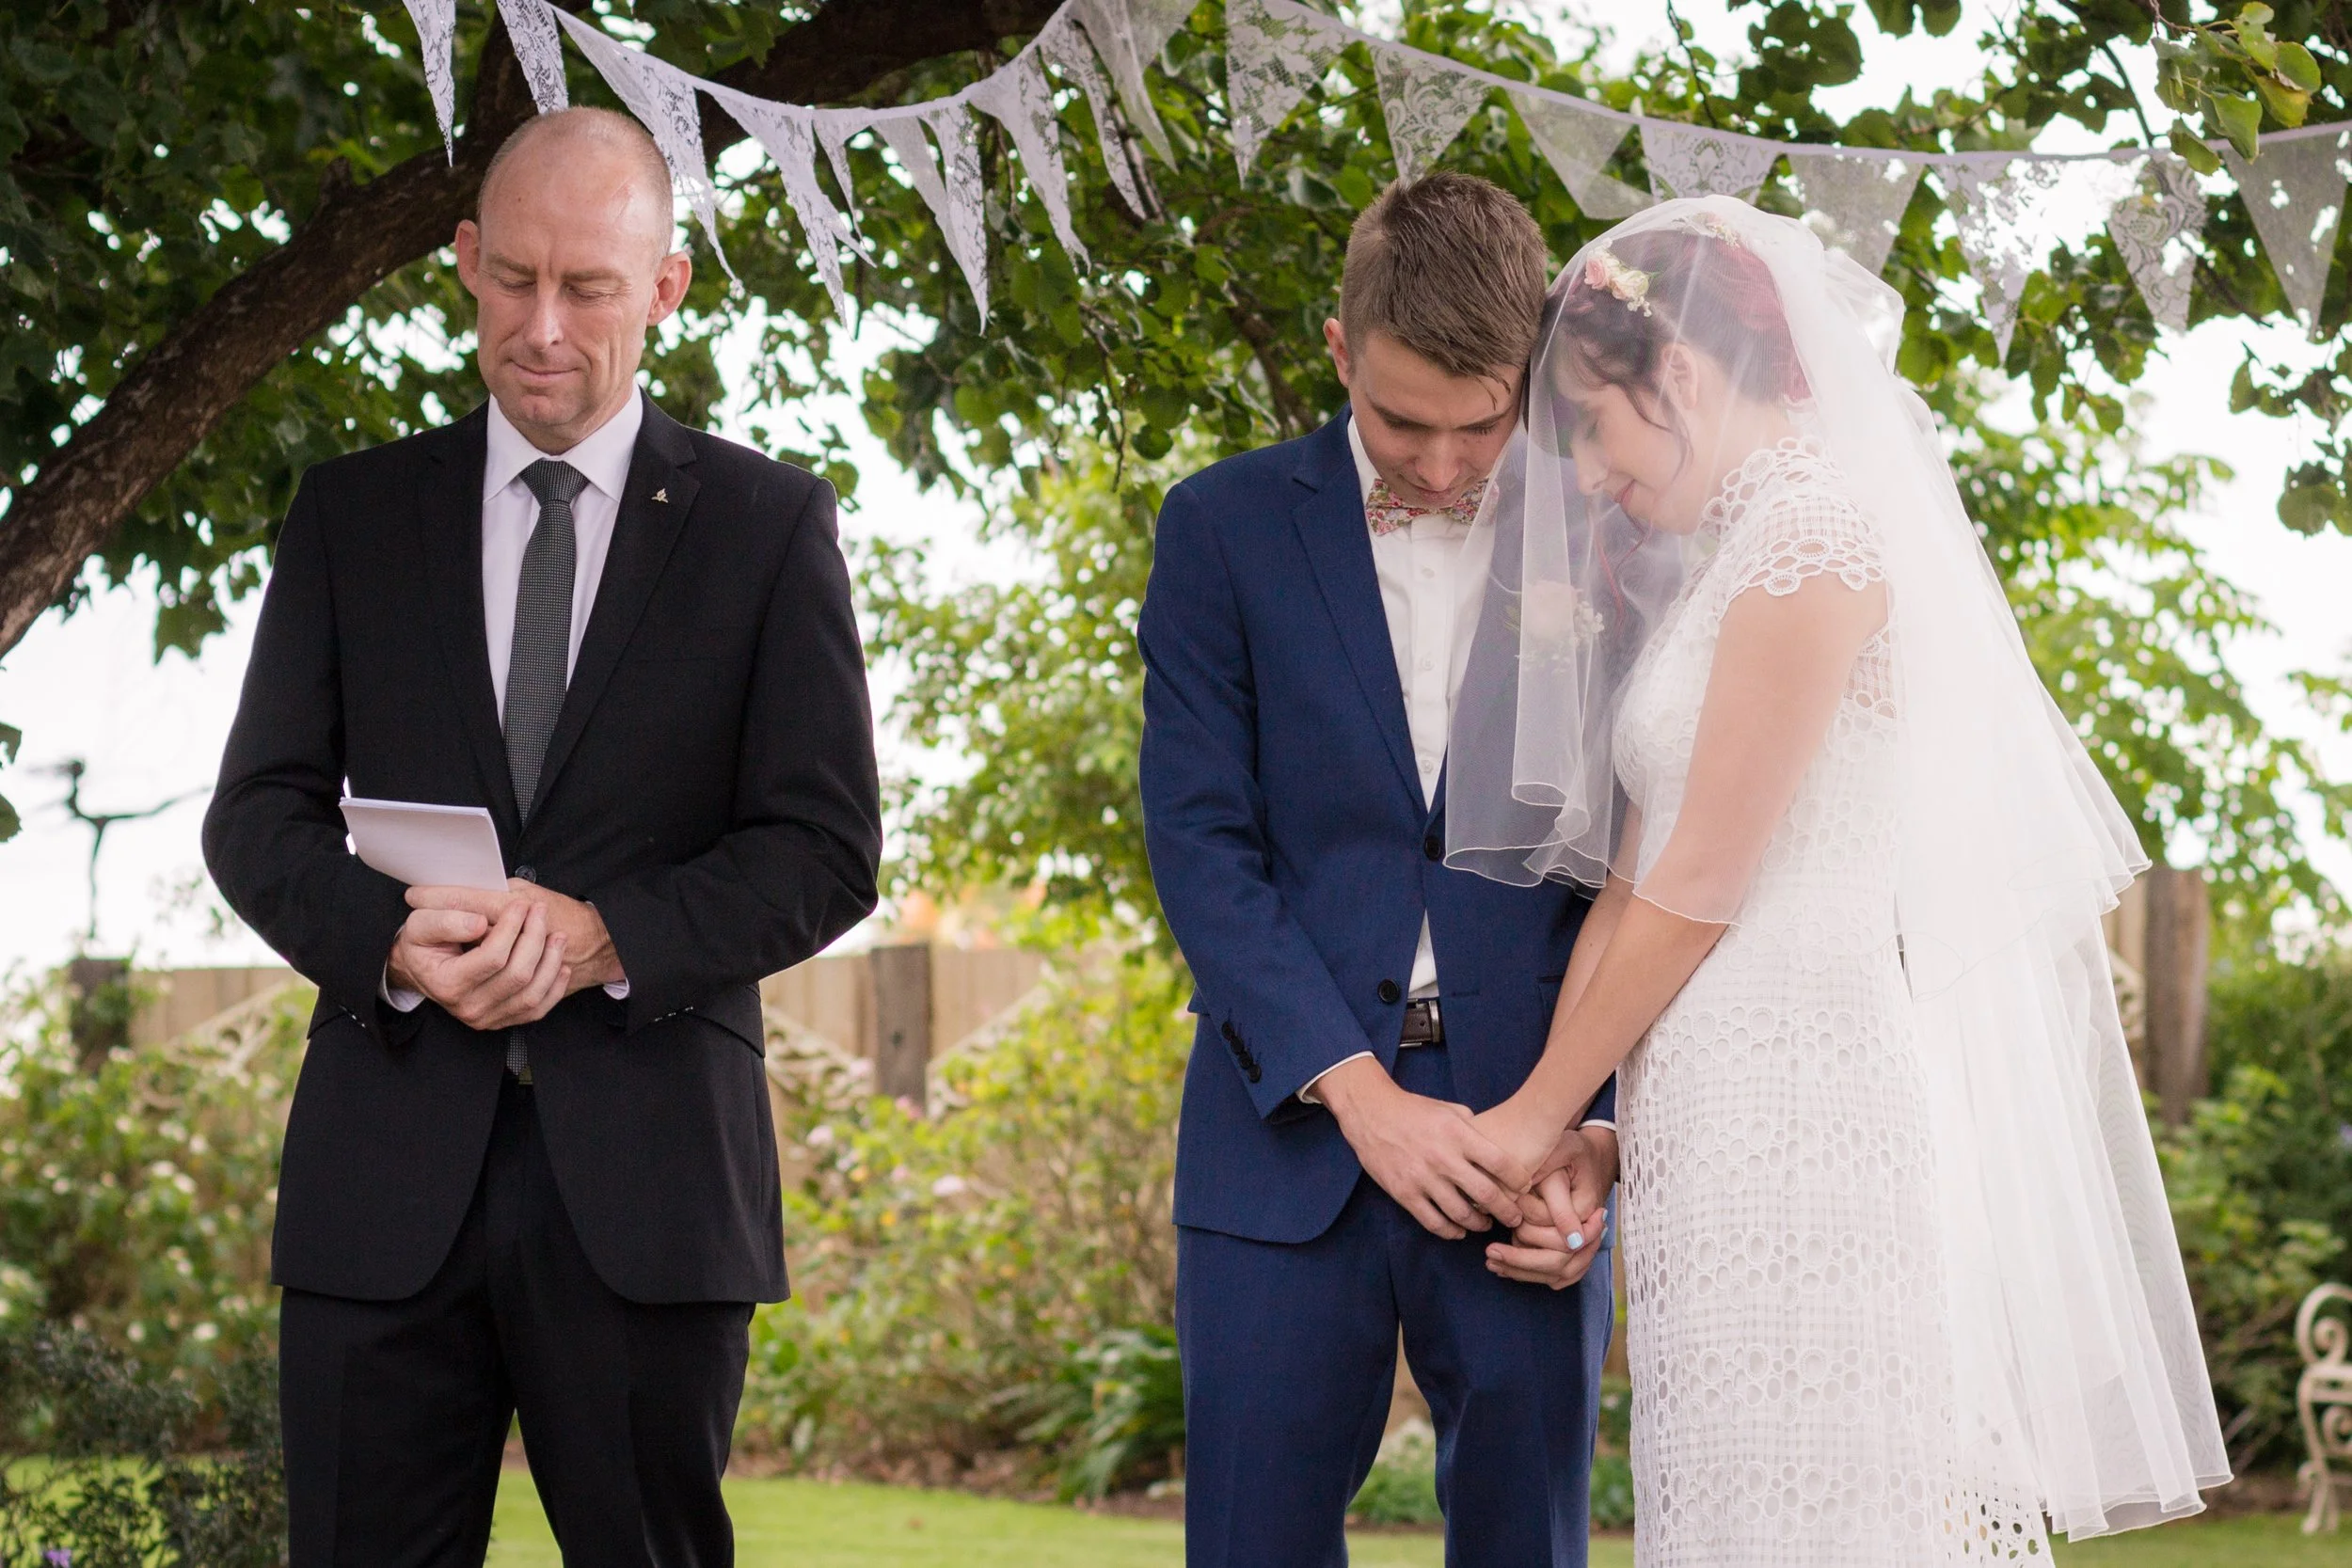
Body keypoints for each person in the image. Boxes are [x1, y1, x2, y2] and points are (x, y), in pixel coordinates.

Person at [1448, 197, 2231, 1564]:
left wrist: (1525, 1110)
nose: (1584, 475)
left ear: (1679, 376)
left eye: (1596, 427)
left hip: (1811, 1119)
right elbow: (1633, 890)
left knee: (1828, 1508)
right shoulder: (1715, 577)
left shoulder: (1820, 541)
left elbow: (1702, 884)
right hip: (1708, 1128)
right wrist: (1600, 1130)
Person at [202, 107, 882, 1565]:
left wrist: (602, 937)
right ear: (462, 262)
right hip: (380, 1180)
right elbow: (254, 815)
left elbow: (824, 846)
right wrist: (386, 939)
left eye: (588, 286)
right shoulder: (349, 516)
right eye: (513, 278)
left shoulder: (770, 528)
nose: (544, 326)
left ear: (666, 286)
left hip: (649, 1192)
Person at [1137, 172, 1622, 1568]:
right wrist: (1355, 1091)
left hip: (1527, 1143)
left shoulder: (1614, 537)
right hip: (1281, 1126)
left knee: (1527, 1546)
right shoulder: (1218, 526)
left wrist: (1588, 1130)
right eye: (1403, 421)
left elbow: (1641, 871)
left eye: (1484, 423)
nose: (1445, 464)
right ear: (1342, 353)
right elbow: (1202, 844)